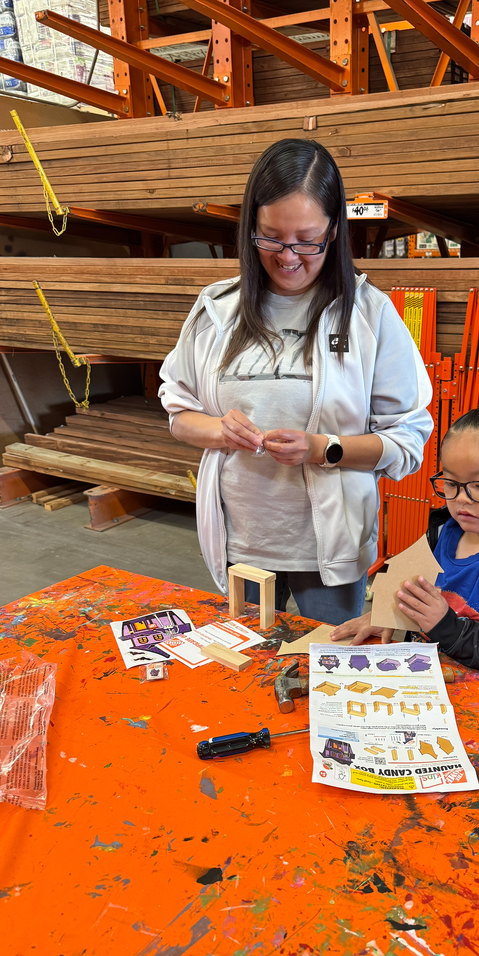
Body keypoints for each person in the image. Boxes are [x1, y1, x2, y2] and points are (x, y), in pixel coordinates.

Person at [158, 139, 433, 625]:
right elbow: (180, 416)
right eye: (271, 238)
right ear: (250, 229)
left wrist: (324, 448)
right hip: (238, 543)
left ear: (334, 232)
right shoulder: (216, 310)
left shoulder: (369, 315)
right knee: (249, 674)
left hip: (329, 551)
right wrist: (220, 431)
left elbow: (407, 439)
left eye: (307, 240)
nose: (288, 257)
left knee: (331, 674)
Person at [331, 402, 479, 677]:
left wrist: (448, 629)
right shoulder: (442, 530)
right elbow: (412, 595)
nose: (460, 499)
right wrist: (387, 616)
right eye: (450, 483)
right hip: (423, 682)